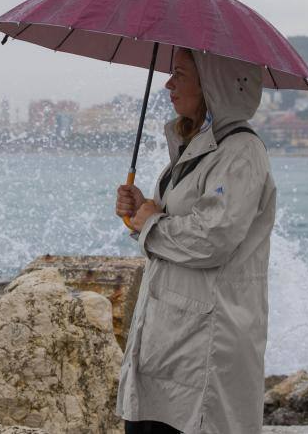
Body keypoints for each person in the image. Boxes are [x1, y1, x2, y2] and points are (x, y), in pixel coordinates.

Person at [114, 47, 277, 434]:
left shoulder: (240, 152)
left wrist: (152, 224)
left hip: (205, 343)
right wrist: (143, 210)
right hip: (171, 339)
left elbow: (213, 237)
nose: (168, 84)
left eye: (180, 74)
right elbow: (181, 220)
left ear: (214, 85)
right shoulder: (199, 146)